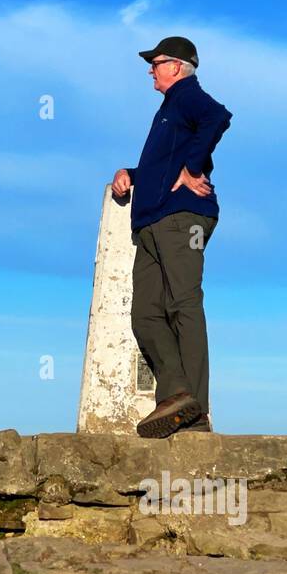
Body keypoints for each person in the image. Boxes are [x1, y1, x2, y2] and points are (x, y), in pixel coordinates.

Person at [111, 36, 232, 438]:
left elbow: (217, 117)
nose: (151, 69)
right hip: (151, 223)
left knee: (183, 305)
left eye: (157, 62)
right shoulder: (169, 108)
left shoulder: (186, 96)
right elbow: (163, 167)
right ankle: (179, 394)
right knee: (145, 314)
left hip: (183, 220)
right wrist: (132, 174)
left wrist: (193, 168)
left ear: (177, 67)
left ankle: (195, 414)